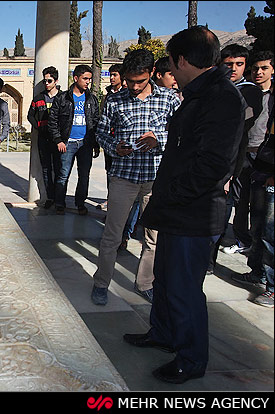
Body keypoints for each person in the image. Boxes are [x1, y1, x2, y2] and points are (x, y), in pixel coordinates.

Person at [124, 26, 246, 384]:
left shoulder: (221, 98)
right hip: (175, 208)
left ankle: (191, 359)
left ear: (181, 60)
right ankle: (163, 333)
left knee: (184, 288)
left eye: (171, 64)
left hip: (193, 212)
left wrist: (174, 195)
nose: (171, 72)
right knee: (165, 279)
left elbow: (213, 164)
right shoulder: (199, 94)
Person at [92, 49, 181, 305]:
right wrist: (114, 147)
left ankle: (145, 283)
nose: (133, 86)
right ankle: (101, 283)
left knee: (153, 237)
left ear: (152, 73)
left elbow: (182, 133)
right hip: (123, 177)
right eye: (129, 81)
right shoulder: (114, 100)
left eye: (139, 81)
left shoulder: (169, 99)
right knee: (112, 235)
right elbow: (101, 132)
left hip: (156, 179)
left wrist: (158, 139)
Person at [207, 44, 263, 272]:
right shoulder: (213, 87)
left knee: (222, 212)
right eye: (228, 64)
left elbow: (241, 121)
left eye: (239, 64)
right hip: (207, 158)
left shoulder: (250, 92)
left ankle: (209, 261)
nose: (233, 68)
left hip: (231, 162)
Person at [231, 50, 274, 306]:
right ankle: (256, 271)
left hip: (267, 165)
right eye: (256, 68)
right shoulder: (247, 93)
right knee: (255, 221)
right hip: (249, 160)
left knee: (269, 228)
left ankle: (271, 284)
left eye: (264, 68)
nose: (259, 72)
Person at [48, 64, 100, 215]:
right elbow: (53, 121)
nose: (88, 82)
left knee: (84, 176)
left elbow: (95, 122)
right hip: (68, 143)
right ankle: (59, 203)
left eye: (89, 79)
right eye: (85, 78)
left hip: (85, 144)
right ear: (76, 78)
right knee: (63, 175)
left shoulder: (92, 99)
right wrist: (58, 140)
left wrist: (95, 144)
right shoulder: (62, 98)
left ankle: (80, 203)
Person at [28, 66, 61, 209]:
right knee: (46, 169)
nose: (46, 83)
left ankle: (60, 199)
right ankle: (50, 197)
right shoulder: (38, 98)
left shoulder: (62, 97)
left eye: (49, 81)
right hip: (43, 138)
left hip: (58, 139)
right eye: (45, 81)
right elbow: (30, 115)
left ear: (56, 81)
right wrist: (38, 126)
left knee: (59, 169)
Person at [97, 63, 124, 213]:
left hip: (121, 139)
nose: (112, 78)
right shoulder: (108, 95)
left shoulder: (126, 93)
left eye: (115, 75)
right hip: (110, 140)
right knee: (110, 171)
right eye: (110, 75)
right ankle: (110, 198)